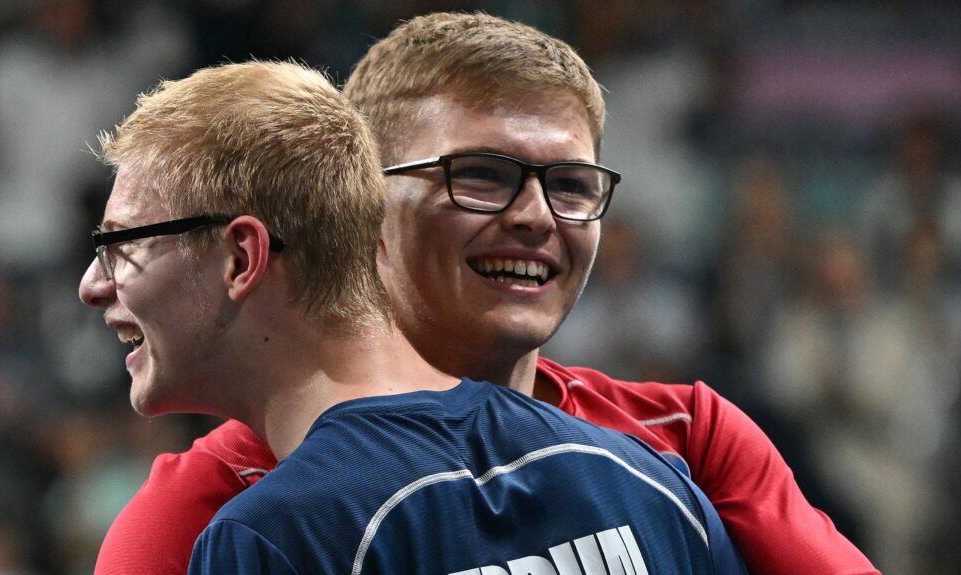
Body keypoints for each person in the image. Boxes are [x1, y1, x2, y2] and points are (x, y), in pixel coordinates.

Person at [93, 13, 878, 575]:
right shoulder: (199, 515)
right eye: (481, 176)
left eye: (571, 185)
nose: (535, 217)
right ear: (361, 202)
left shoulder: (682, 439)